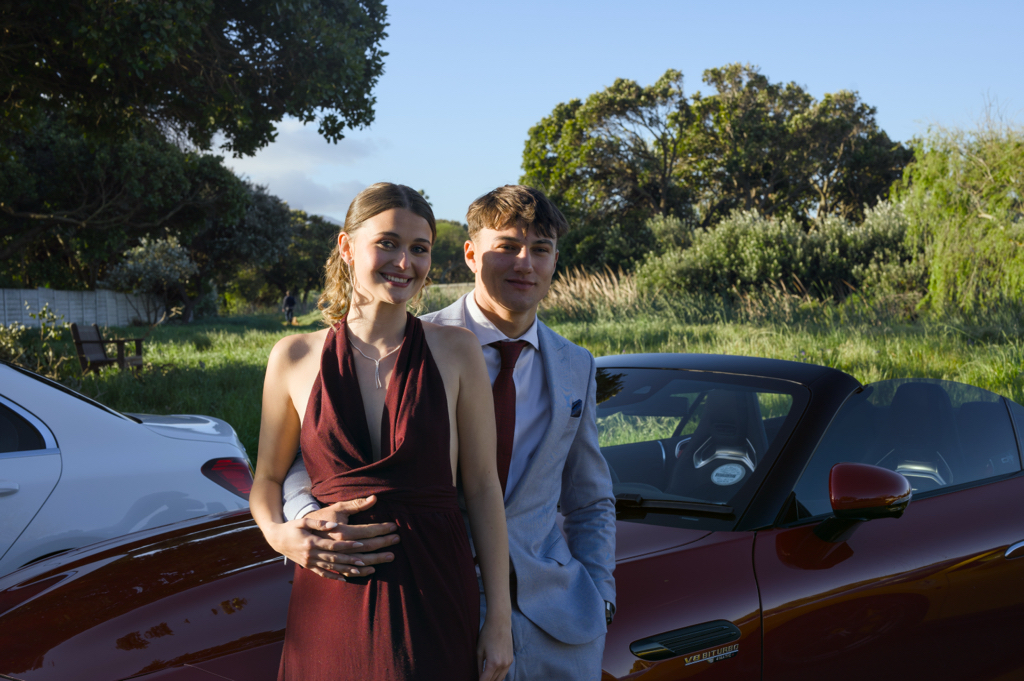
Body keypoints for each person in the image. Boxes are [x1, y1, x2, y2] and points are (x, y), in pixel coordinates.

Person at [273, 185, 616, 680]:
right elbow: (313, 457)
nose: (524, 263)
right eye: (507, 247)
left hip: (558, 622)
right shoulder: (412, 341)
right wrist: (306, 523)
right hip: (430, 599)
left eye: (540, 249)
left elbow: (589, 496)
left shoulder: (575, 364)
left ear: (555, 260)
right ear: (471, 254)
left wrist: (601, 595)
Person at [250, 183, 513, 681]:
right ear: (347, 247)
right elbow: (266, 478)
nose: (404, 262)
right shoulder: (293, 357)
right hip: (330, 596)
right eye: (388, 243)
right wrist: (280, 536)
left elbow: (482, 487)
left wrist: (498, 616)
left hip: (435, 597)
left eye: (419, 248)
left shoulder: (457, 351)